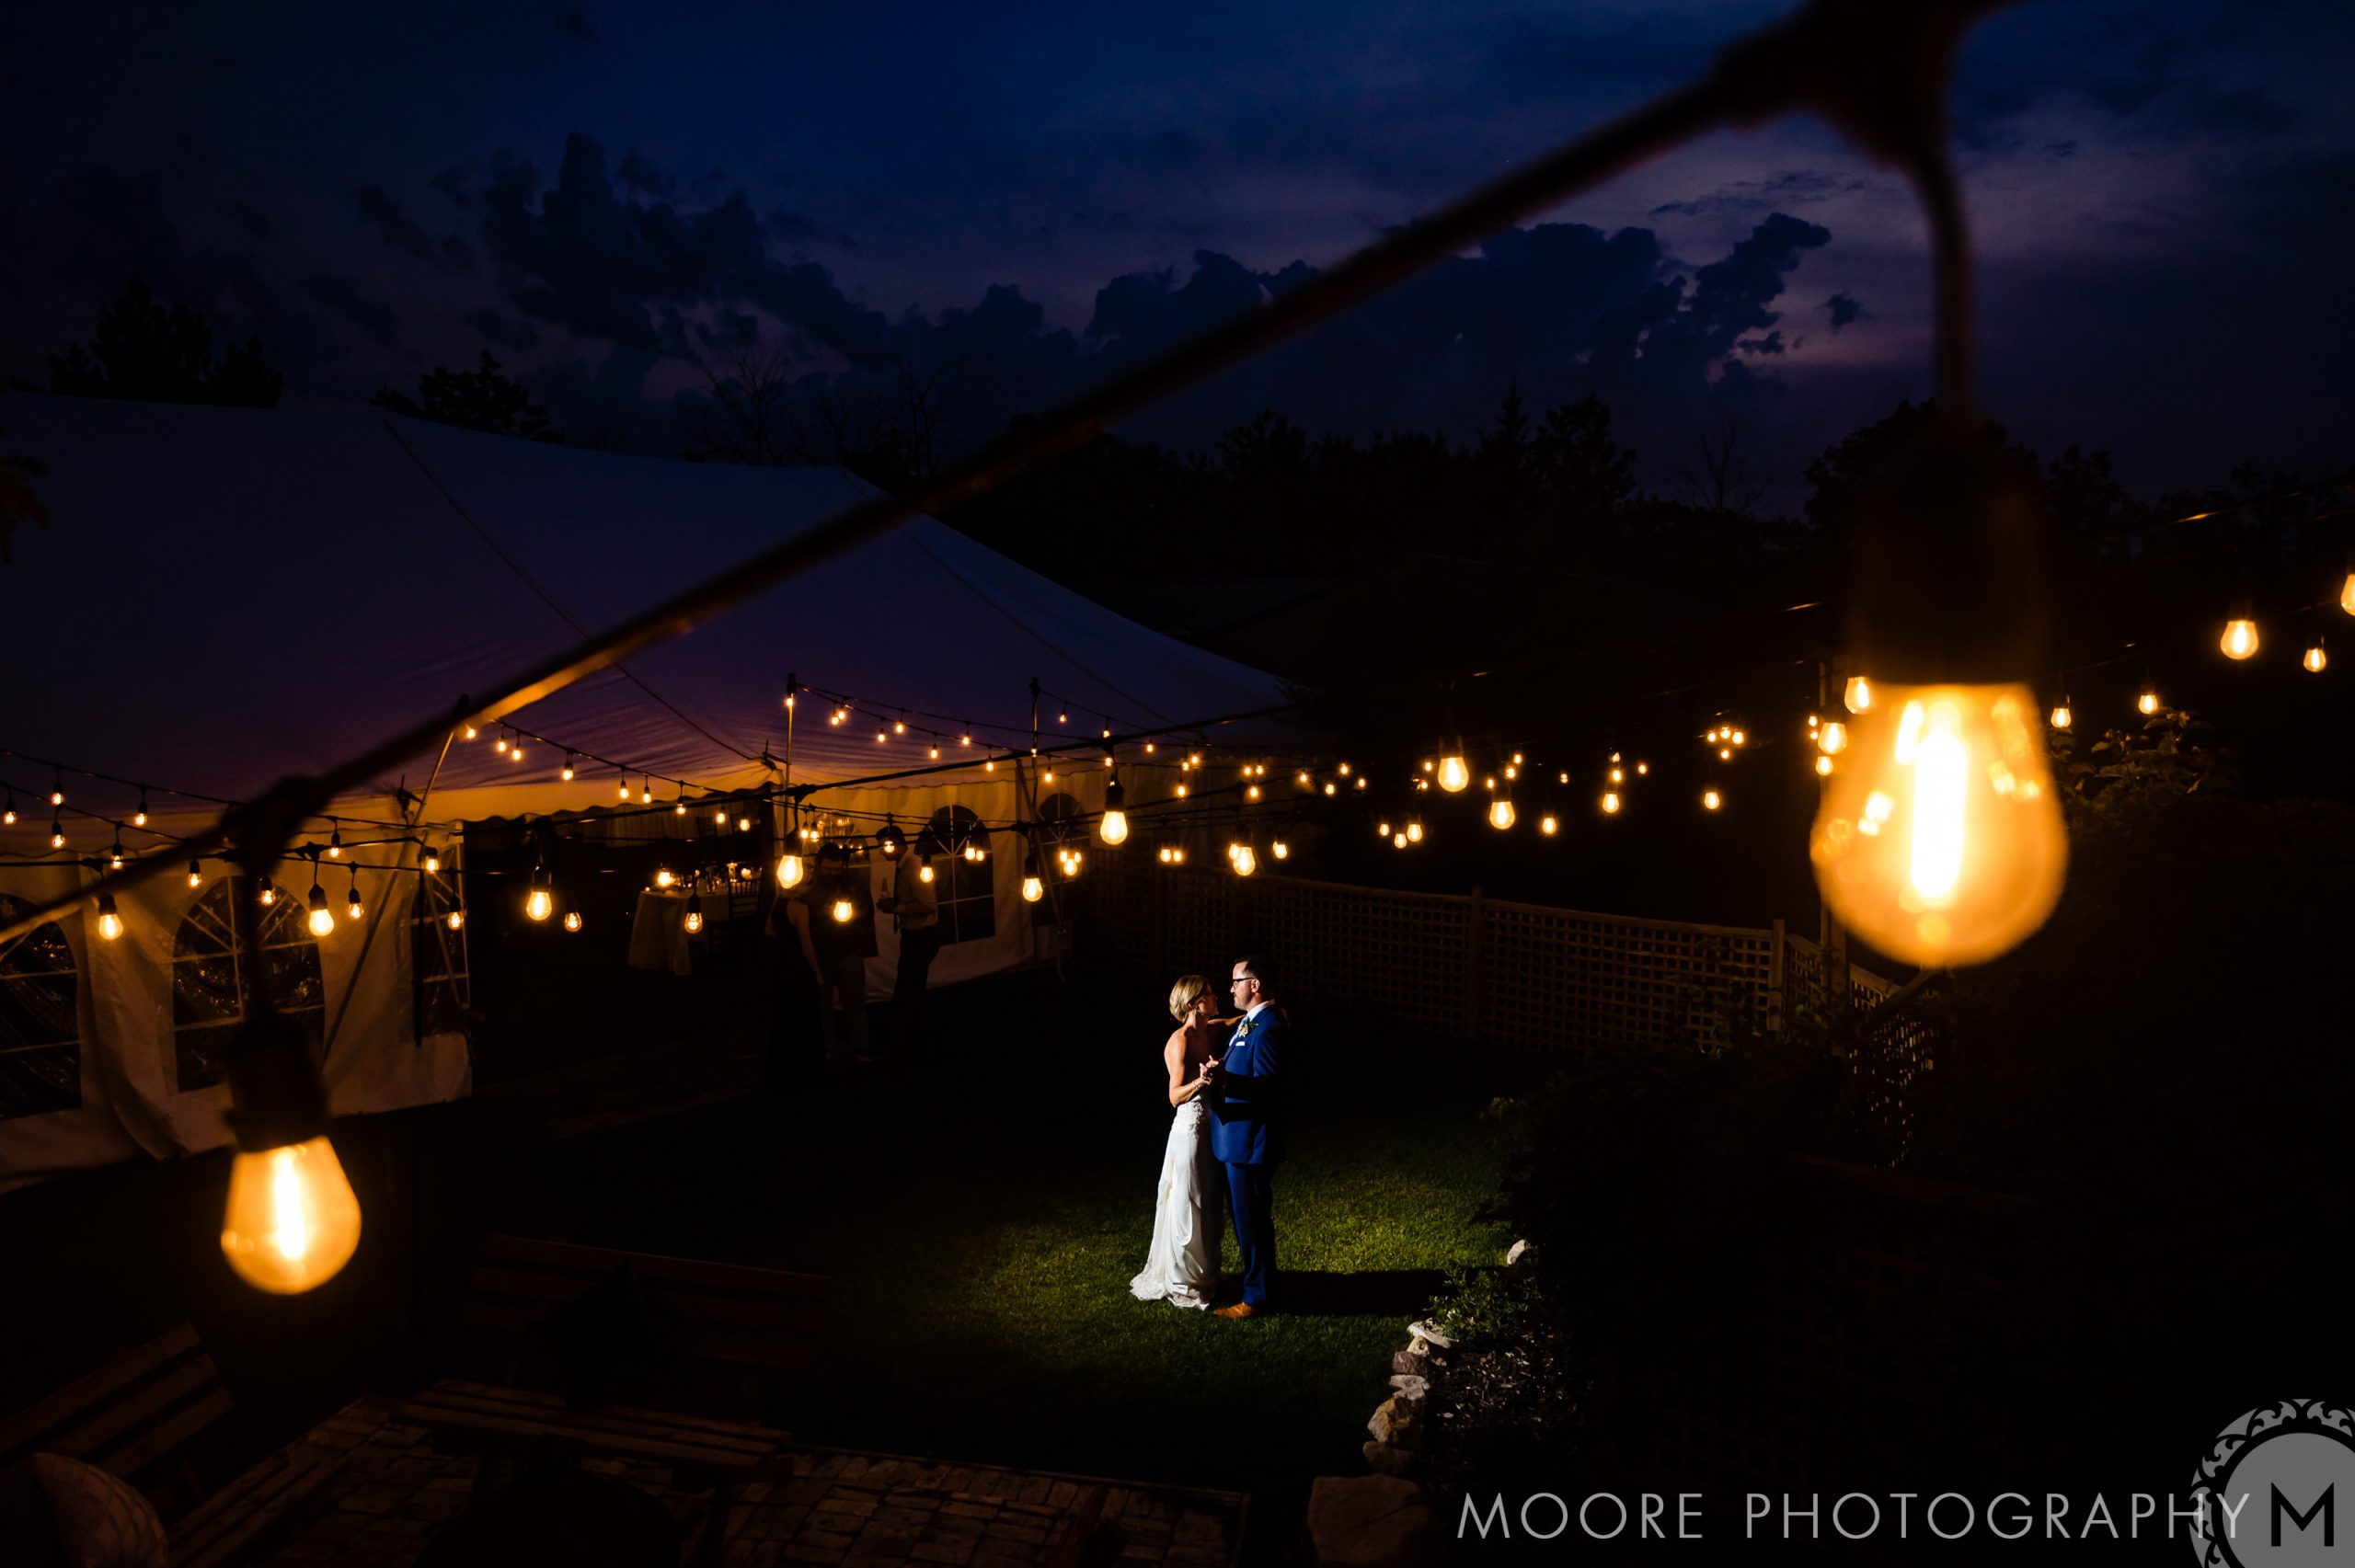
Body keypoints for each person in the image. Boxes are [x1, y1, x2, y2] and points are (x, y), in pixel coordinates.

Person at [1129, 976, 1226, 1310]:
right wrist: (1202, 1080)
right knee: (1190, 1200)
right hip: (1189, 1132)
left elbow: (1237, 1021)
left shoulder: (1209, 1029)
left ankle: (1207, 1272)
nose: (1215, 998)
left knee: (1209, 1200)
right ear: (1192, 1005)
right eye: (1209, 996)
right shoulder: (1180, 1042)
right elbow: (1173, 1096)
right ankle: (1184, 1279)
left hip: (1211, 1128)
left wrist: (1267, 1011)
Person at [1209, 956, 1288, 1319]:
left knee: (1252, 1221)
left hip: (1251, 1144)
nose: (1231, 988)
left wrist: (1226, 1081)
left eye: (1235, 981)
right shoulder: (1251, 1022)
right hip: (1237, 1142)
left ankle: (1256, 1298)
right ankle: (1258, 1283)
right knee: (1246, 1220)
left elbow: (1270, 1089)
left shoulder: (1269, 1027)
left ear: (1254, 984)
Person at [798, 842, 878, 1063]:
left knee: (855, 1004)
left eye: (837, 869)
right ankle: (827, 1051)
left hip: (848, 952)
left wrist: (857, 938)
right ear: (818, 865)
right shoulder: (808, 889)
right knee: (823, 1007)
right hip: (819, 955)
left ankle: (862, 1049)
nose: (833, 873)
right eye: (828, 869)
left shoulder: (855, 886)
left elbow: (867, 914)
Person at [876, 841, 942, 1056]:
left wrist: (896, 907)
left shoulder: (914, 867)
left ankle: (914, 1038)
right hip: (912, 934)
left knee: (910, 986)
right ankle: (915, 1035)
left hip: (922, 936)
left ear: (896, 845)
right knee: (910, 984)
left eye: (883, 846)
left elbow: (928, 905)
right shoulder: (903, 866)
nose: (881, 851)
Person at [763, 876, 825, 1089]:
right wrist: (817, 972)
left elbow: (769, 930)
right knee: (803, 1014)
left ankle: (783, 1064)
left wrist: (784, 940)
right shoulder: (800, 908)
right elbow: (806, 944)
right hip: (799, 966)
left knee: (784, 1014)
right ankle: (804, 1066)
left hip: (782, 964)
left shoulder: (778, 902)